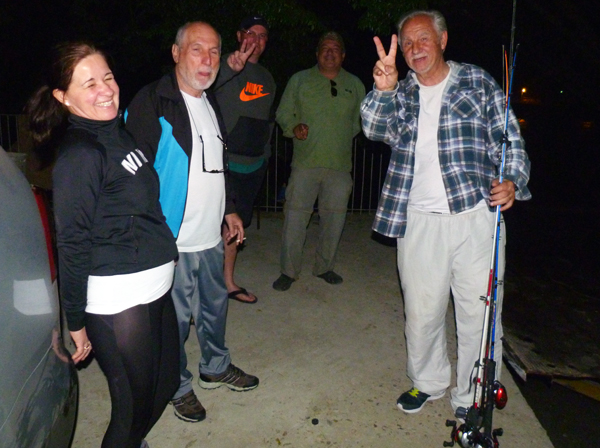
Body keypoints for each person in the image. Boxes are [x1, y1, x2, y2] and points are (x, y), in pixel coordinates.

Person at [361, 10, 531, 415]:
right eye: (407, 44)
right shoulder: (400, 91)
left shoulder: (477, 81)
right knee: (421, 312)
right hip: (418, 219)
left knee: (480, 313)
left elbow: (508, 137)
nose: (414, 49)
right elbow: (373, 129)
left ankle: (473, 397)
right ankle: (427, 381)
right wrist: (383, 89)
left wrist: (511, 179)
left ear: (442, 40)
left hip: (476, 216)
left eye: (422, 40)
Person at [26, 42, 180, 448]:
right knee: (130, 413)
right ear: (63, 97)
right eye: (89, 83)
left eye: (108, 77)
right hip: (119, 299)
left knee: (164, 386)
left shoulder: (118, 133)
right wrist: (74, 320)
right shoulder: (81, 153)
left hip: (155, 286)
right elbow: (72, 243)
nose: (106, 89)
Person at [125, 21, 259, 424]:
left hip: (209, 237)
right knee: (176, 321)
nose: (208, 59)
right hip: (174, 241)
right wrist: (151, 233)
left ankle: (215, 367)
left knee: (215, 308)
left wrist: (229, 208)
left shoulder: (209, 101)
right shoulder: (153, 101)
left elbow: (218, 164)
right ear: (176, 52)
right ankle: (177, 386)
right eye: (197, 49)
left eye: (215, 51)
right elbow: (134, 174)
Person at [272, 31, 365, 291]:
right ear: (317, 53)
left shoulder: (355, 84)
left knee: (334, 221)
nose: (330, 52)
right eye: (325, 48)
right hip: (305, 163)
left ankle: (325, 267)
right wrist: (293, 127)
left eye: (335, 49)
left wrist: (339, 136)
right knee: (295, 219)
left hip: (340, 166)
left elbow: (362, 121)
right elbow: (282, 112)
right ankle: (288, 271)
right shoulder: (300, 80)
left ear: (343, 55)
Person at [213, 14, 276, 304]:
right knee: (208, 227)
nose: (256, 40)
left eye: (262, 35)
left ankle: (227, 282)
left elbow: (266, 121)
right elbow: (201, 92)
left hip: (252, 166)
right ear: (240, 36)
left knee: (233, 229)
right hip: (220, 165)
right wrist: (228, 69)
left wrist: (264, 157)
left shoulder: (267, 78)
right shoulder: (220, 65)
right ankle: (197, 288)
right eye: (251, 32)